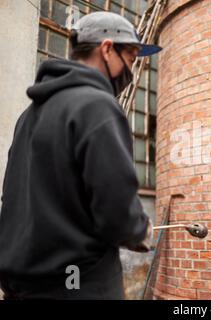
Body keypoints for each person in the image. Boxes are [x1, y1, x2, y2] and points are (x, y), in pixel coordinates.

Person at [0, 11, 161, 299]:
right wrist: (139, 229)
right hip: (78, 285)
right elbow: (115, 208)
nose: (132, 69)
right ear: (107, 49)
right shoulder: (97, 106)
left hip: (21, 285)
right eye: (132, 58)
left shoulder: (28, 115)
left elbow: (11, 198)